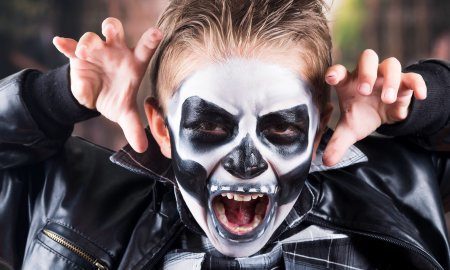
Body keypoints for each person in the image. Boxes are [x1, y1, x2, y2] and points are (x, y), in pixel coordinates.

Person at [0, 0, 449, 269]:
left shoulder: (398, 188)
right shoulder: (72, 205)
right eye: (211, 126)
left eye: (281, 127)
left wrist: (423, 104)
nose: (247, 162)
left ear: (316, 131)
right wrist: (54, 97)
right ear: (163, 127)